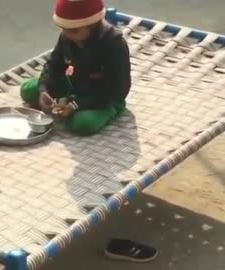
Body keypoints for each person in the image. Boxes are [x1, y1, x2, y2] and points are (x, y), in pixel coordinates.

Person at [20, 0, 158, 262]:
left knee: (83, 125)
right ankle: (56, 100)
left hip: (105, 95)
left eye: (73, 31)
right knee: (29, 89)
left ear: (92, 25)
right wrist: (44, 93)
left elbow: (119, 87)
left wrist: (75, 104)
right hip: (75, 85)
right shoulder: (68, 36)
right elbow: (52, 65)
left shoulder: (113, 43)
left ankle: (106, 113)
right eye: (65, 31)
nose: (67, 35)